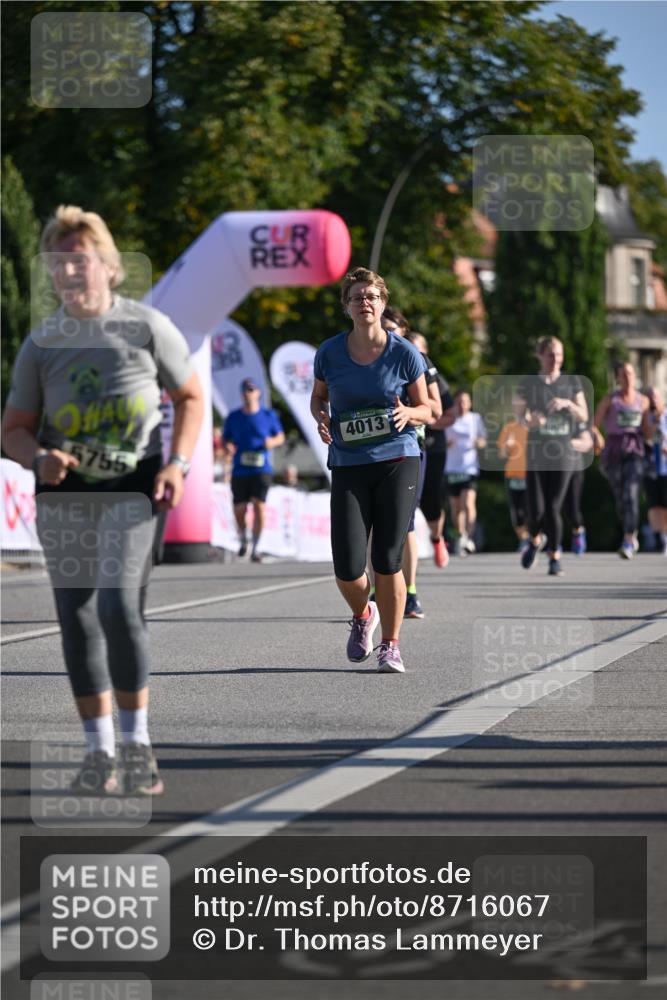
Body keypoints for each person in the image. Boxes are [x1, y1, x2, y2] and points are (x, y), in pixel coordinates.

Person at [1, 204, 204, 795]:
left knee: (118, 605)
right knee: (79, 619)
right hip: (64, 495)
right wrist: (34, 456)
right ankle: (99, 752)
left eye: (80, 261)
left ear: (110, 267)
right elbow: (13, 425)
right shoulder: (42, 344)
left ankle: (138, 745)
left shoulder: (145, 327)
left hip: (132, 487)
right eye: (58, 264)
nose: (69, 273)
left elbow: (190, 397)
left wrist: (179, 463)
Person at [310, 266, 430, 673]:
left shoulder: (404, 353)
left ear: (383, 304)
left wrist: (409, 412)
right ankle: (364, 614)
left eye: (373, 296)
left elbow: (428, 409)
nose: (366, 302)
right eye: (358, 296)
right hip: (348, 462)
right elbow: (318, 397)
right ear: (347, 306)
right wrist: (321, 417)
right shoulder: (329, 352)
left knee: (386, 558)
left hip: (398, 459)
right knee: (346, 565)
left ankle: (391, 645)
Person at [517, 336, 588, 576]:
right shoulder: (528, 383)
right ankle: (536, 539)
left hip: (563, 454)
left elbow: (584, 416)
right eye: (550, 355)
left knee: (553, 507)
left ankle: (554, 556)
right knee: (535, 510)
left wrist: (567, 403)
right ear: (540, 356)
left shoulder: (572, 382)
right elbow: (519, 417)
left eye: (559, 354)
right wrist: (530, 421)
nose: (555, 359)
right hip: (537, 452)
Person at [222, 377, 285, 562]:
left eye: (251, 389)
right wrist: (227, 446)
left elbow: (280, 436)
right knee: (240, 509)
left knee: (260, 506)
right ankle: (244, 539)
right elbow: (225, 439)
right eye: (245, 390)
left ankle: (256, 547)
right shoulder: (234, 417)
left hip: (261, 468)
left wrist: (272, 442)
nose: (248, 393)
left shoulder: (268, 415)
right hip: (240, 469)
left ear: (258, 393)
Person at [594, 361, 651, 559]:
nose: (627, 377)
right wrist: (597, 436)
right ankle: (628, 532)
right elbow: (594, 424)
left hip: (635, 449)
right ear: (617, 378)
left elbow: (647, 430)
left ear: (635, 376)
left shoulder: (643, 401)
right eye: (623, 374)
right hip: (614, 450)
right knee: (620, 497)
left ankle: (629, 538)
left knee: (631, 493)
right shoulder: (611, 399)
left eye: (630, 373)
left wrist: (657, 419)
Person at [410, 332, 456, 570]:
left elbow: (450, 414)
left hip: (433, 446)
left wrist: (424, 419)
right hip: (408, 445)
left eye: (420, 351)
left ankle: (437, 539)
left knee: (431, 501)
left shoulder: (434, 378)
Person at [445, 390, 487, 556]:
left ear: (469, 403)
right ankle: (461, 535)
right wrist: (446, 444)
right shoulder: (449, 420)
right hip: (451, 469)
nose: (462, 405)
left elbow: (483, 440)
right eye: (459, 402)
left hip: (469, 468)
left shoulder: (475, 419)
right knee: (456, 507)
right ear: (454, 404)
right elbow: (440, 440)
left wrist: (479, 442)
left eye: (465, 401)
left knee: (468, 503)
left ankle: (469, 538)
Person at [496, 401, 530, 551]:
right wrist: (506, 447)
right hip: (512, 474)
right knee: (517, 511)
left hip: (531, 475)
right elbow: (501, 455)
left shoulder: (534, 428)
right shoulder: (509, 428)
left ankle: (534, 537)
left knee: (532, 509)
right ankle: (524, 540)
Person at [643, 387, 667, 555]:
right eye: (649, 398)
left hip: (666, 466)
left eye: (655, 397)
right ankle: (660, 537)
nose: (652, 401)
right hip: (650, 466)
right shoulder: (645, 419)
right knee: (654, 505)